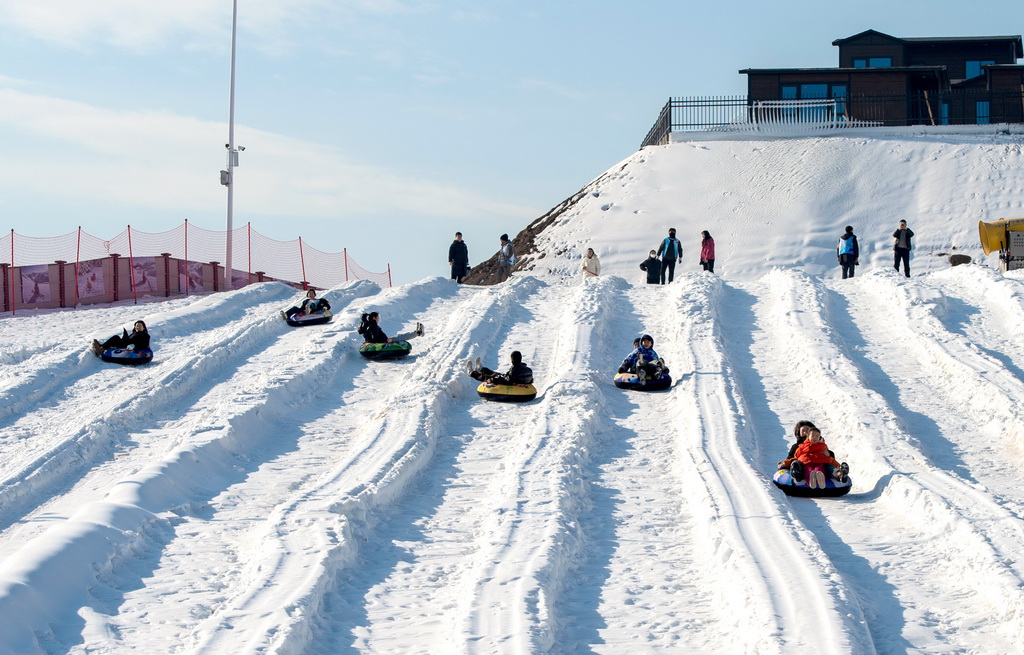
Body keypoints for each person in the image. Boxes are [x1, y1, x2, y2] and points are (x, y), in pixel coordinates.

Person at [780, 427, 848, 489]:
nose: (815, 438)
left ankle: (822, 482)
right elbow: (795, 458)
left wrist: (838, 466)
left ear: (819, 437)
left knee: (819, 470)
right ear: (808, 437)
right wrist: (785, 463)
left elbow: (829, 460)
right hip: (806, 463)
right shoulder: (802, 447)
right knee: (808, 470)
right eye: (813, 436)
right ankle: (809, 481)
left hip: (819, 463)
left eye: (817, 436)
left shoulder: (822, 447)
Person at [466, 350, 534, 385]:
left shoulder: (515, 369)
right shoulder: (528, 369)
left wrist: (493, 380)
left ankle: (471, 373)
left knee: (486, 377)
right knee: (496, 374)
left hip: (510, 382)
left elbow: (508, 381)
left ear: (512, 360)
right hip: (512, 378)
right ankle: (481, 369)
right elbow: (531, 380)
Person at [358, 312, 424, 344]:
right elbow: (374, 338)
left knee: (398, 336)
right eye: (378, 317)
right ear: (374, 318)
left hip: (382, 341)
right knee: (400, 337)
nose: (379, 319)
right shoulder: (373, 326)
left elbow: (371, 337)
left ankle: (416, 332)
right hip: (383, 342)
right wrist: (386, 340)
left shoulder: (367, 325)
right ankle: (418, 333)